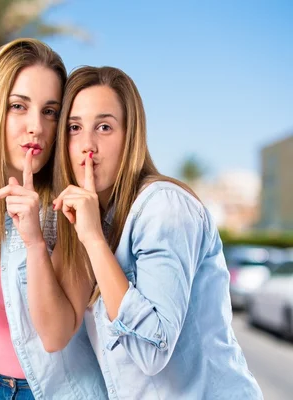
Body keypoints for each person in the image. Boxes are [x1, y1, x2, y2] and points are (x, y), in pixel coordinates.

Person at [48, 65, 263, 399]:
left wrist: (92, 240)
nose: (88, 145)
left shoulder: (164, 207)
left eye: (104, 127)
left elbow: (152, 350)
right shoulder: (99, 217)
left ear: (130, 135)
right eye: (75, 128)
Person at [0, 39, 108, 400]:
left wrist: (33, 242)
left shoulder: (72, 209)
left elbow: (56, 334)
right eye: (19, 106)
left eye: (50, 112)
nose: (36, 127)